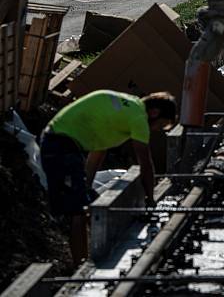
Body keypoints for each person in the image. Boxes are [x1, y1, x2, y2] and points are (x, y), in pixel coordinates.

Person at [40, 90, 176, 266]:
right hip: (61, 145)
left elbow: (99, 148)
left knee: (88, 205)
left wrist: (87, 184)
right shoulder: (138, 118)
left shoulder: (128, 106)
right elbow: (145, 163)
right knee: (78, 211)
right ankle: (80, 267)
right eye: (160, 125)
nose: (155, 130)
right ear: (154, 113)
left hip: (57, 140)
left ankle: (84, 256)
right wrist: (151, 199)